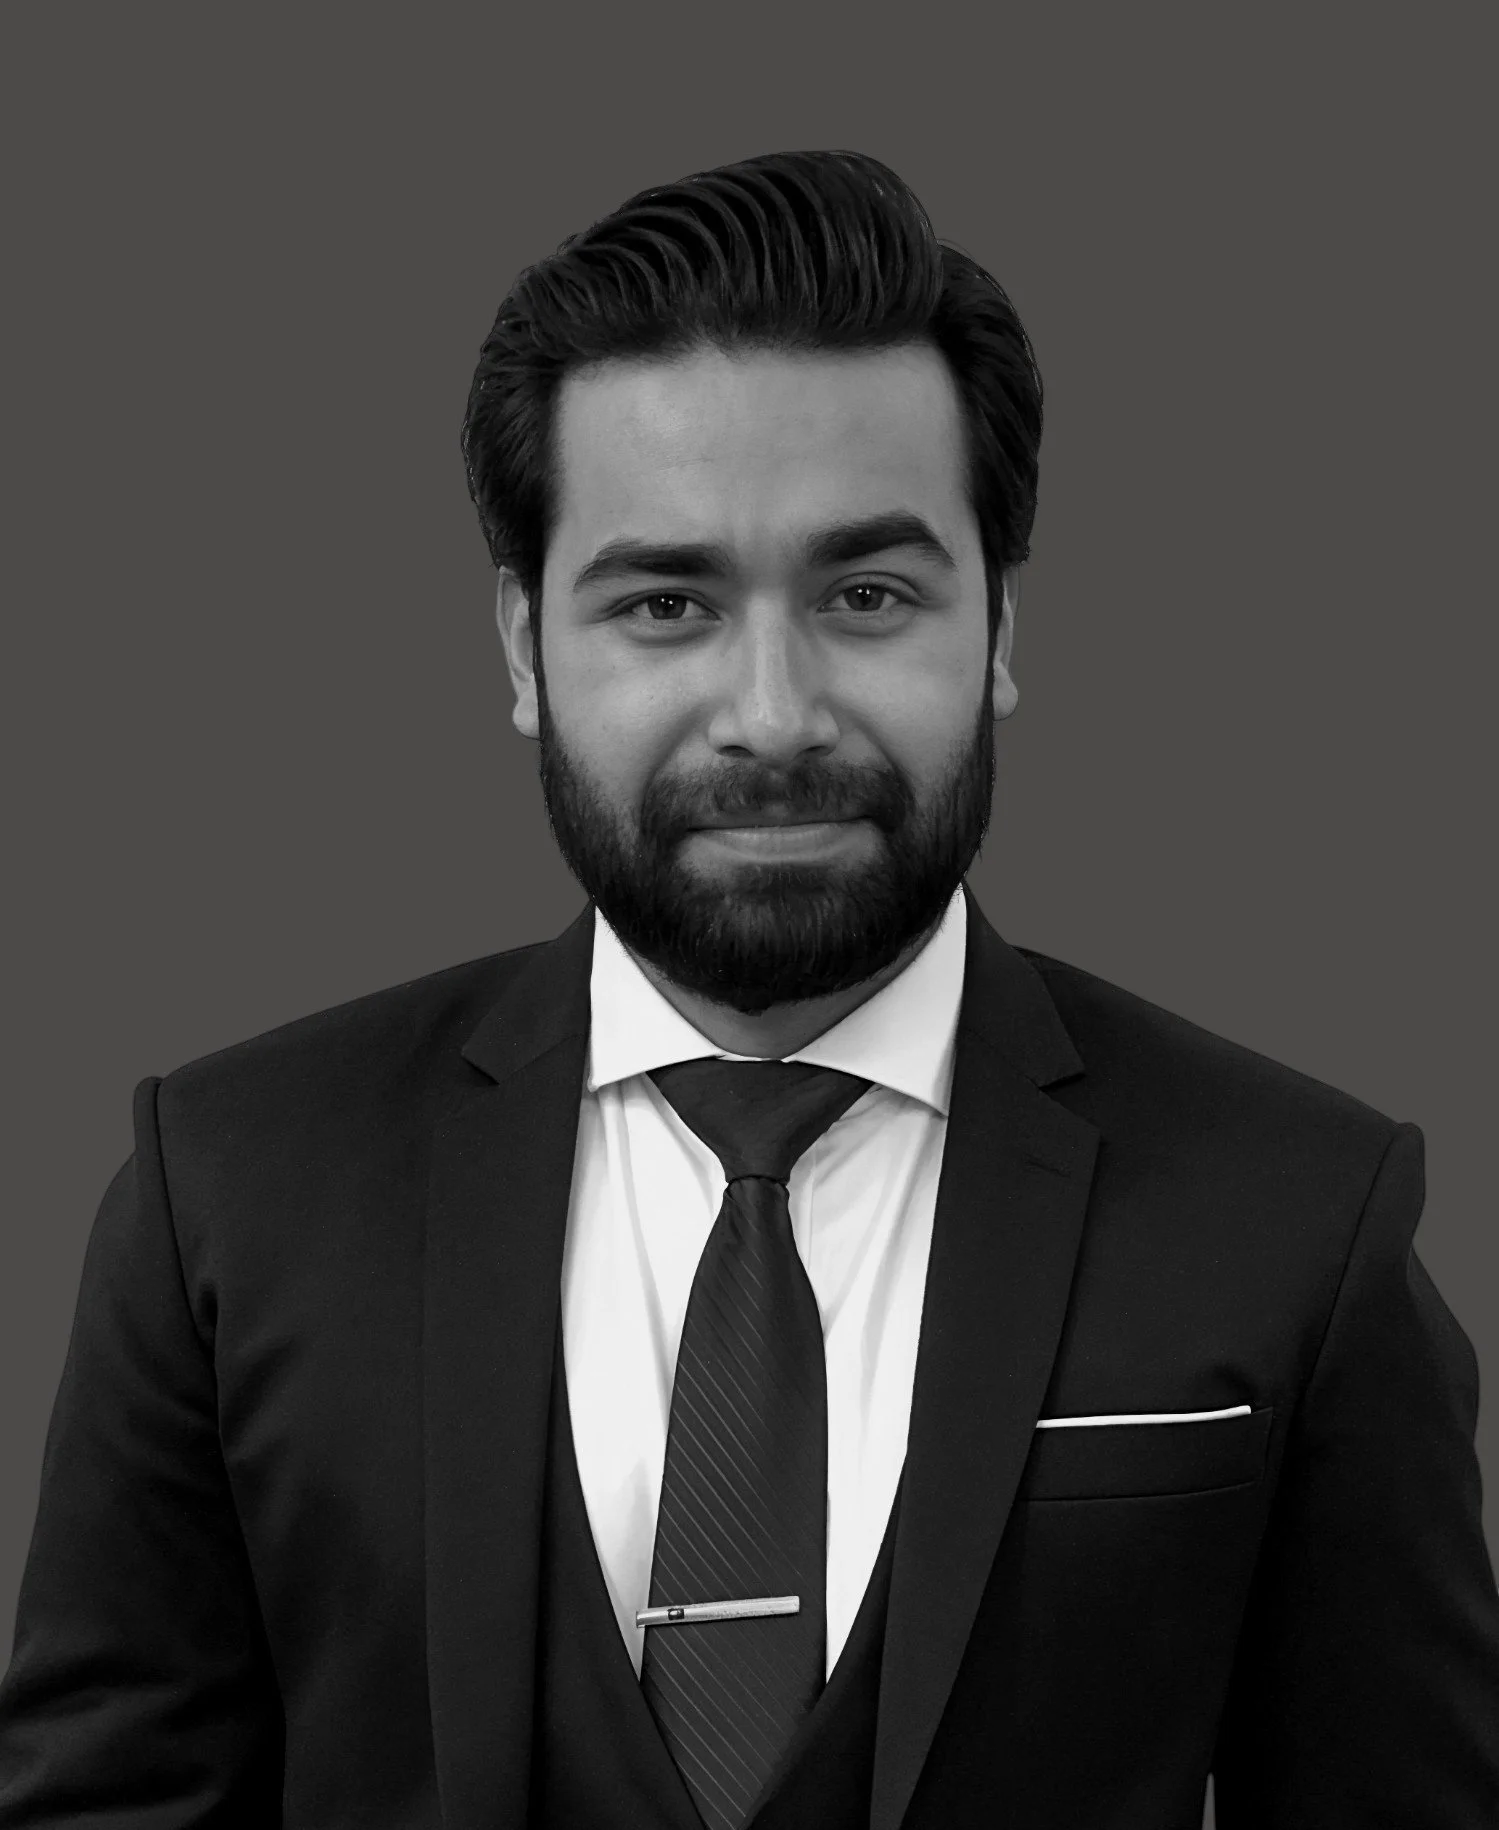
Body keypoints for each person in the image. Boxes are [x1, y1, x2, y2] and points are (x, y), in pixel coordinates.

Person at [1, 148, 1496, 1830]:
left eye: (866, 594)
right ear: (524, 648)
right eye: (666, 601)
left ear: (999, 628)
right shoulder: (229, 1190)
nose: (772, 712)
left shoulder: (1298, 1209)